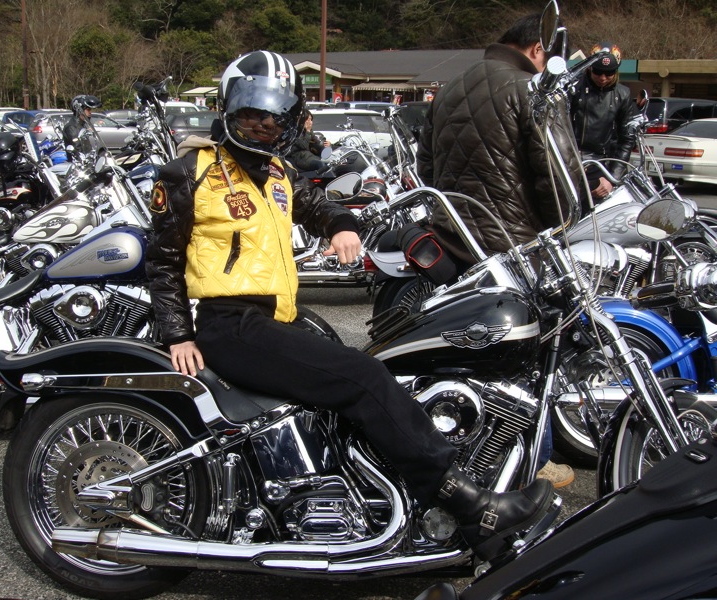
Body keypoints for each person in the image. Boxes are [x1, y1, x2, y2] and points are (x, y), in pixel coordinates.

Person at [145, 50, 555, 562]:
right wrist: (177, 334)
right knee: (363, 376)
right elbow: (162, 260)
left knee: (364, 366)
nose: (263, 124)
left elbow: (319, 207)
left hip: (274, 319)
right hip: (229, 324)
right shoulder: (190, 172)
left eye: (274, 115)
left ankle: (397, 504)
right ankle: (468, 503)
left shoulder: (277, 174)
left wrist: (343, 225)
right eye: (251, 112)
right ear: (227, 107)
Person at [416, 14, 580, 489]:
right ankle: (534, 459)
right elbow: (558, 179)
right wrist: (563, 223)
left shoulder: (450, 87)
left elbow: (426, 167)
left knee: (466, 351)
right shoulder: (532, 90)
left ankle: (466, 446)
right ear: (537, 49)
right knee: (530, 358)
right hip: (514, 246)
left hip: (452, 240)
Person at [570, 42, 638, 200]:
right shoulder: (573, 88)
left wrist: (612, 178)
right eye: (598, 72)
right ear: (590, 68)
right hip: (570, 161)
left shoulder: (622, 94)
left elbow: (626, 139)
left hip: (601, 165)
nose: (603, 78)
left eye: (609, 73)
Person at [63, 94, 103, 160]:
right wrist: (85, 159)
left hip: (86, 162)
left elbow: (87, 147)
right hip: (77, 163)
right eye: (88, 110)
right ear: (79, 110)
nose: (90, 113)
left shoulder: (82, 125)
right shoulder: (71, 127)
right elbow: (78, 149)